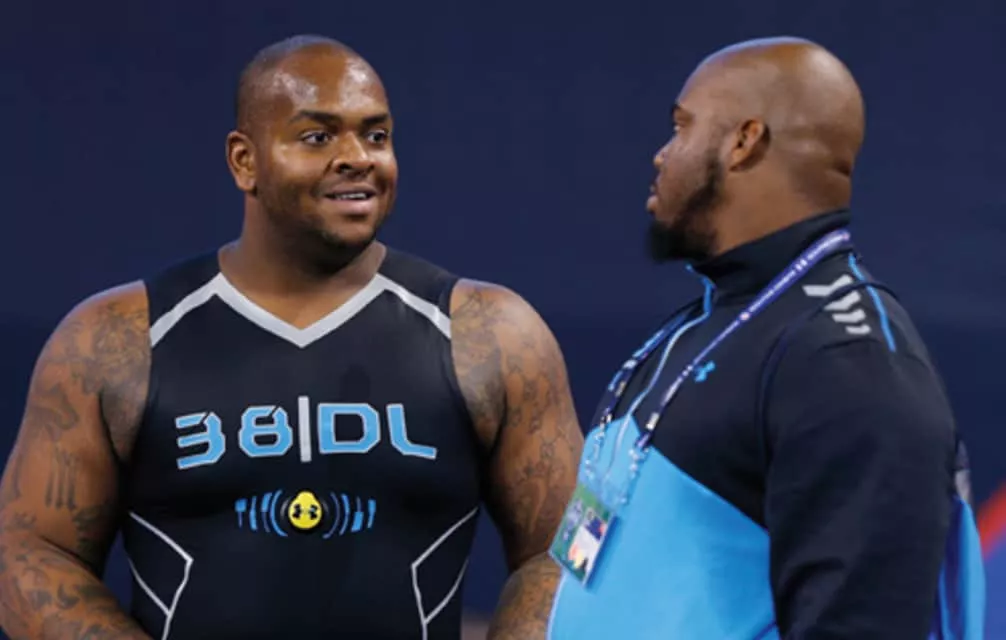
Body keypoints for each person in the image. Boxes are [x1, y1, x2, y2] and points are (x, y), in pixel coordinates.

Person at [0, 34, 583, 639]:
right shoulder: (114, 340)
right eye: (317, 137)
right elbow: (31, 553)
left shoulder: (491, 335)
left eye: (376, 135)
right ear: (244, 161)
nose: (357, 157)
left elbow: (566, 554)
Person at [546, 37, 984, 639]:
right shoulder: (709, 322)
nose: (661, 154)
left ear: (743, 141)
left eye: (681, 127)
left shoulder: (846, 357)